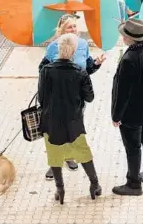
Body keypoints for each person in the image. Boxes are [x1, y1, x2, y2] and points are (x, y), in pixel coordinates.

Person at [39, 14, 106, 180]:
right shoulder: (54, 47)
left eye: (75, 26)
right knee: (55, 131)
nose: (74, 30)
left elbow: (87, 68)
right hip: (56, 99)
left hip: (76, 99)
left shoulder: (82, 45)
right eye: (70, 27)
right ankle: (55, 163)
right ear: (61, 30)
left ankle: (68, 157)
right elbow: (43, 69)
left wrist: (96, 64)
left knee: (72, 129)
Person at [111, 19, 143, 196]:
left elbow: (122, 93)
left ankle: (133, 184)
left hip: (132, 113)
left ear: (128, 38)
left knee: (133, 147)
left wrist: (116, 115)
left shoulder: (128, 59)